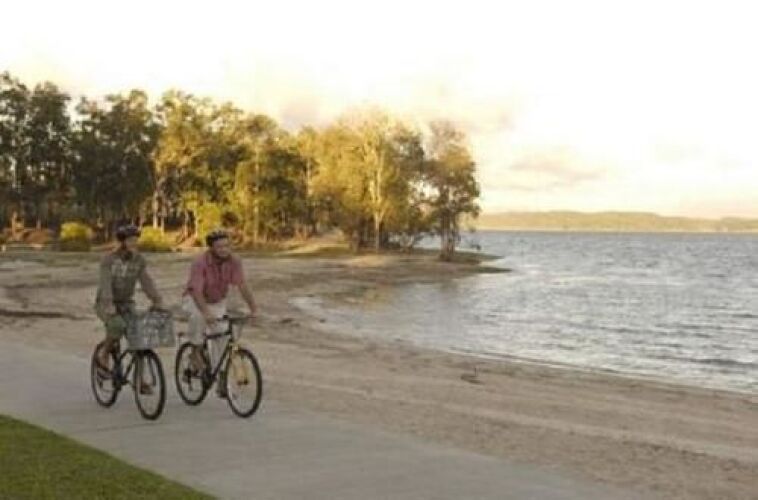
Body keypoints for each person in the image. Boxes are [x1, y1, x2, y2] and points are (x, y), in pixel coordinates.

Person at [182, 229, 257, 394]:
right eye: (219, 247)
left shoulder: (234, 261)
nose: (224, 250)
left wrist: (253, 308)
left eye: (227, 246)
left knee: (223, 336)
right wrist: (205, 312)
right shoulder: (200, 263)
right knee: (197, 318)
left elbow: (242, 285)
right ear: (211, 248)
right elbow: (196, 290)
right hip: (195, 299)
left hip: (217, 301)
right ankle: (195, 352)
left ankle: (220, 375)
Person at [94, 224, 163, 390]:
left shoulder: (139, 260)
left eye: (135, 240)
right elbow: (105, 283)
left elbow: (146, 281)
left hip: (126, 303)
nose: (134, 243)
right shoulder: (109, 260)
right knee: (117, 325)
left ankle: (139, 380)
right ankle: (104, 354)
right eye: (130, 240)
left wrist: (156, 299)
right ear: (122, 242)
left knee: (139, 337)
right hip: (105, 302)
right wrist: (109, 305)